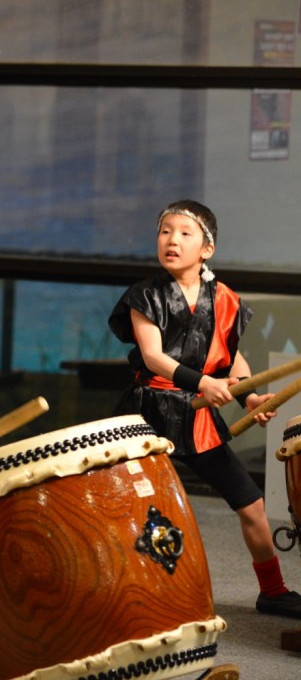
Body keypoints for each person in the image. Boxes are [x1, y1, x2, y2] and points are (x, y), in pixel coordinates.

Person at [109, 199, 301, 619]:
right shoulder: (145, 295)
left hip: (197, 418)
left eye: (184, 233)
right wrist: (202, 382)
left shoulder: (226, 299)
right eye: (164, 231)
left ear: (207, 249)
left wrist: (247, 395)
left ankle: (272, 590)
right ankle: (149, 592)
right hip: (149, 415)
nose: (171, 240)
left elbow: (231, 359)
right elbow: (154, 357)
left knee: (249, 503)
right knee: (150, 507)